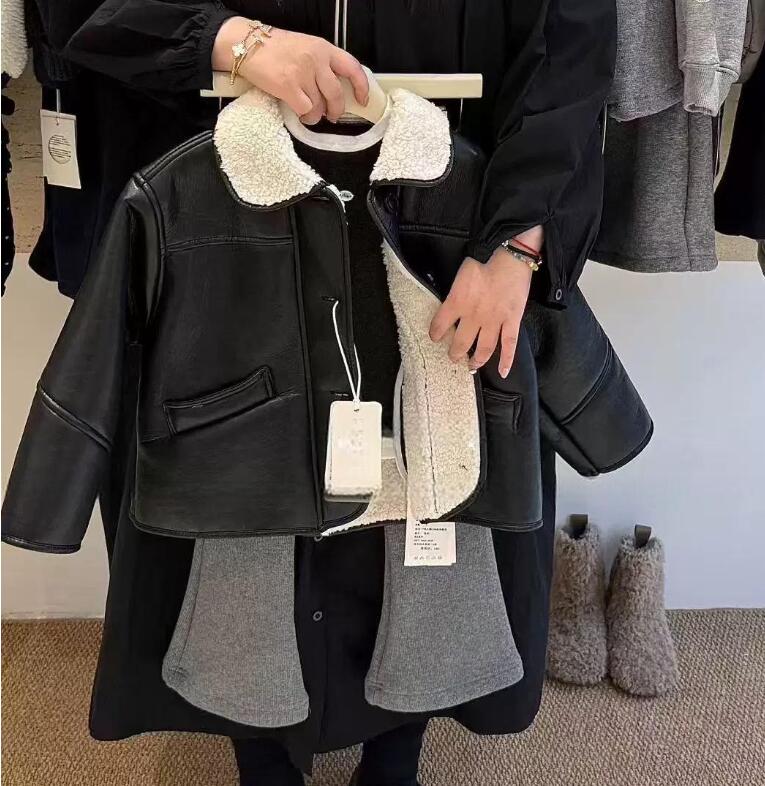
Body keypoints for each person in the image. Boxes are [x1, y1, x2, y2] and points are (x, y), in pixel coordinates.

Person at [34, 2, 616, 783]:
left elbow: (573, 33)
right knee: (236, 490)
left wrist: (519, 236)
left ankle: (396, 751)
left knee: (431, 487)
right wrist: (233, 42)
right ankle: (259, 753)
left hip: (450, 193)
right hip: (214, 189)